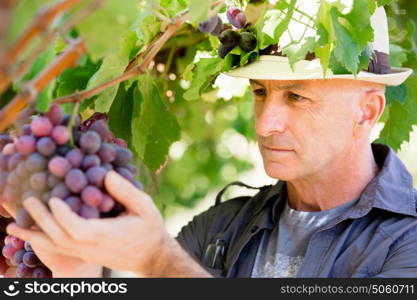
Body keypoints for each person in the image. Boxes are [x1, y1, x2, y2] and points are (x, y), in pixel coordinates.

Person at [3, 7, 417, 278]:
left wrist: (157, 260)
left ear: (367, 112)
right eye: (259, 93)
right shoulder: (219, 228)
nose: (267, 123)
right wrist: (81, 273)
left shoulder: (408, 243)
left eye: (296, 96)